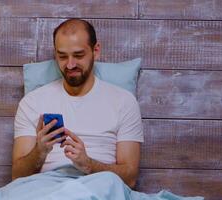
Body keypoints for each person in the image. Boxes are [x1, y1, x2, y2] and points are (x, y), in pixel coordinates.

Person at [12, 18, 143, 189]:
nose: (70, 64)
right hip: (45, 189)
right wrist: (40, 151)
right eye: (62, 56)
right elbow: (17, 177)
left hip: (99, 188)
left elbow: (130, 178)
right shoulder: (32, 102)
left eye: (79, 55)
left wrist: (87, 164)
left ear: (96, 51)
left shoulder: (124, 102)